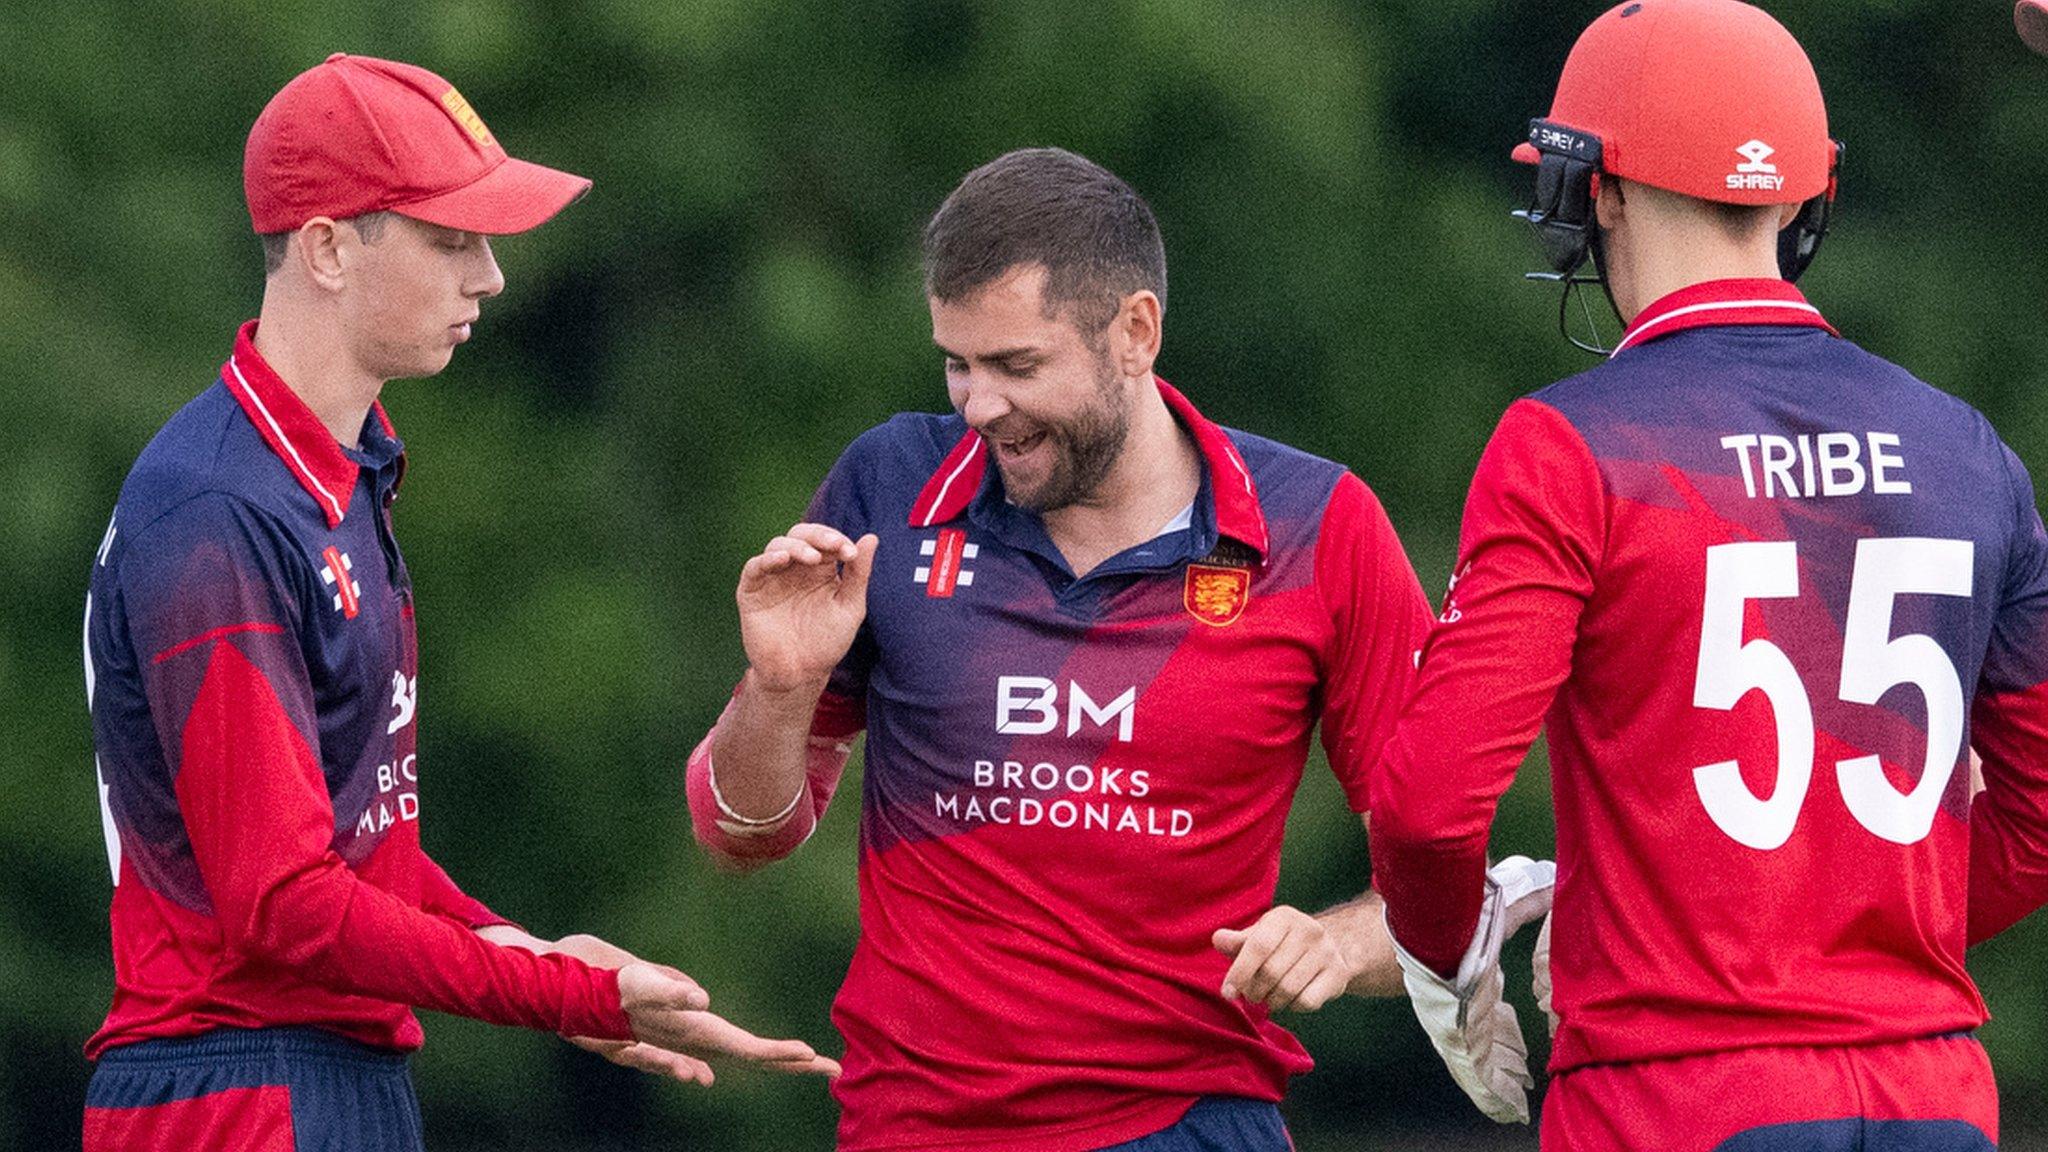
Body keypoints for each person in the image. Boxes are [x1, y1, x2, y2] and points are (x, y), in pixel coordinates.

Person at [82, 53, 835, 1151]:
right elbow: (285, 904)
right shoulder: (216, 511)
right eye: (451, 240)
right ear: (330, 248)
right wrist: (563, 997)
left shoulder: (339, 476)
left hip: (323, 1078)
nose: (489, 277)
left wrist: (529, 950)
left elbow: (357, 848)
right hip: (236, 1090)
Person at [1368, 1, 2048, 1147]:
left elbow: (1430, 812)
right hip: (1931, 1100)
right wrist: (1847, 938)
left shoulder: (1566, 442)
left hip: (1677, 1094)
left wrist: (1447, 963)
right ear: (1798, 198)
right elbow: (2033, 820)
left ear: (1599, 191)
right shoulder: (1966, 446)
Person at [685, 147, 1434, 1150]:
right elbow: (740, 836)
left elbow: (1443, 882)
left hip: (1187, 1122)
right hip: (914, 1126)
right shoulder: (887, 490)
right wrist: (780, 689)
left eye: (1016, 366)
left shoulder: (1317, 526)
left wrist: (1343, 940)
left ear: (1133, 331)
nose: (977, 405)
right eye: (956, 362)